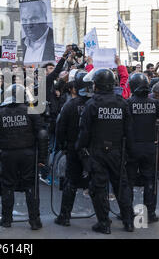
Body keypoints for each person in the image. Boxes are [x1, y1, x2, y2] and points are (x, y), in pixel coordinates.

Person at [76, 68, 135, 234]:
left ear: (97, 85)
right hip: (117, 151)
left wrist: (80, 148)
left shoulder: (92, 104)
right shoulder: (122, 103)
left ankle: (104, 223)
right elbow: (129, 131)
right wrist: (130, 152)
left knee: (99, 188)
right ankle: (128, 221)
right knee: (121, 187)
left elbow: (84, 131)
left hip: (98, 152)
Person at [0, 84, 48, 230]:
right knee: (30, 186)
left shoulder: (0, 113)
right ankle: (35, 221)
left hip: (8, 153)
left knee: (7, 185)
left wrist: (2, 145)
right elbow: (42, 134)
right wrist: (42, 157)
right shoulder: (31, 111)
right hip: (28, 154)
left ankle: (7, 220)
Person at [126, 73, 159, 223]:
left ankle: (127, 213)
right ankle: (150, 213)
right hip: (150, 147)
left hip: (132, 147)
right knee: (150, 181)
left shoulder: (128, 103)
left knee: (129, 180)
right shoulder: (155, 103)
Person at [54, 70, 93, 226]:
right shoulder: (96, 103)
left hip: (74, 149)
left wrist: (63, 146)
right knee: (97, 181)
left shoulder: (70, 105)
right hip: (93, 150)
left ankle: (65, 216)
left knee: (71, 182)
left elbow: (60, 129)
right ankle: (103, 219)